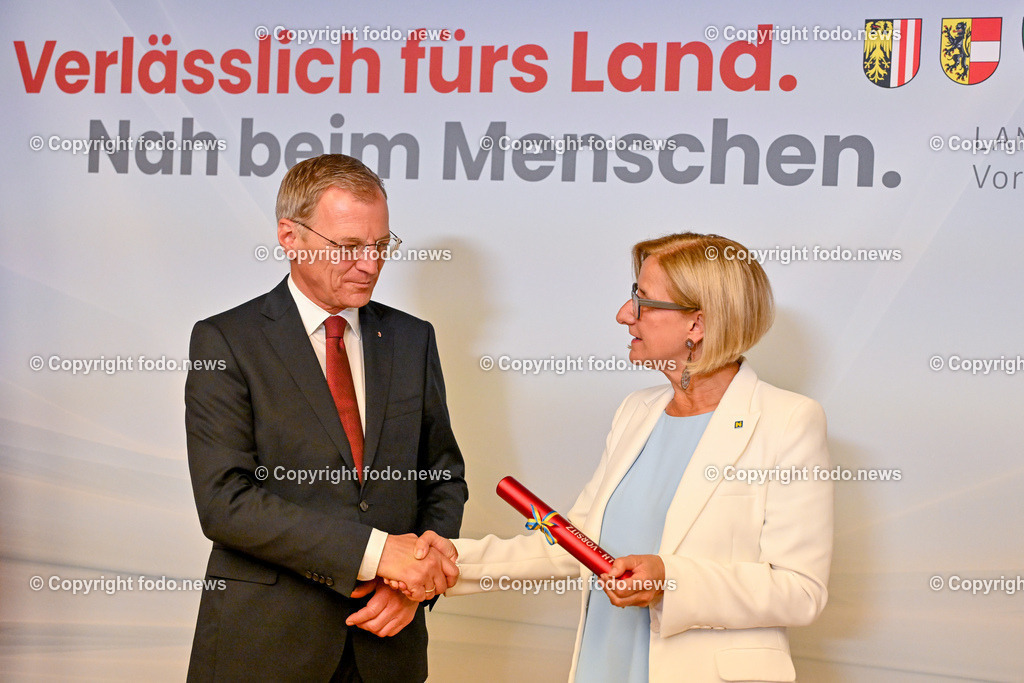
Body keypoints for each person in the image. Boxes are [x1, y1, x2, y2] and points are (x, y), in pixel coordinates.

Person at [411, 232, 833, 682]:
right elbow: (578, 546)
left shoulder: (788, 421)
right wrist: (451, 559)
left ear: (697, 325)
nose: (623, 314)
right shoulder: (638, 411)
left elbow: (800, 589)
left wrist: (668, 579)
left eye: (643, 300)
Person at [184, 154, 468, 682]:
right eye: (348, 247)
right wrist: (380, 554)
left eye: (381, 246)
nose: (370, 264)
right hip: (264, 649)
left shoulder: (412, 339)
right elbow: (225, 502)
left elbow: (442, 477)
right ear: (289, 236)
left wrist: (414, 585)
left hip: (387, 646)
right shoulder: (225, 340)